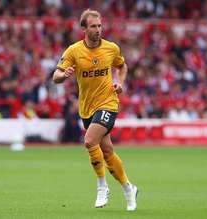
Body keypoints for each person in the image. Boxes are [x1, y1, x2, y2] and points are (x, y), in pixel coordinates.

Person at [53, 9, 138, 211]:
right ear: (84, 29)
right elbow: (55, 76)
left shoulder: (111, 48)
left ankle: (102, 186)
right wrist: (64, 74)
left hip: (108, 102)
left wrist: (119, 82)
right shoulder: (74, 51)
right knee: (106, 151)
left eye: (100, 26)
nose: (98, 29)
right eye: (93, 26)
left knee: (90, 141)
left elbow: (122, 66)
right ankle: (129, 188)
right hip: (87, 108)